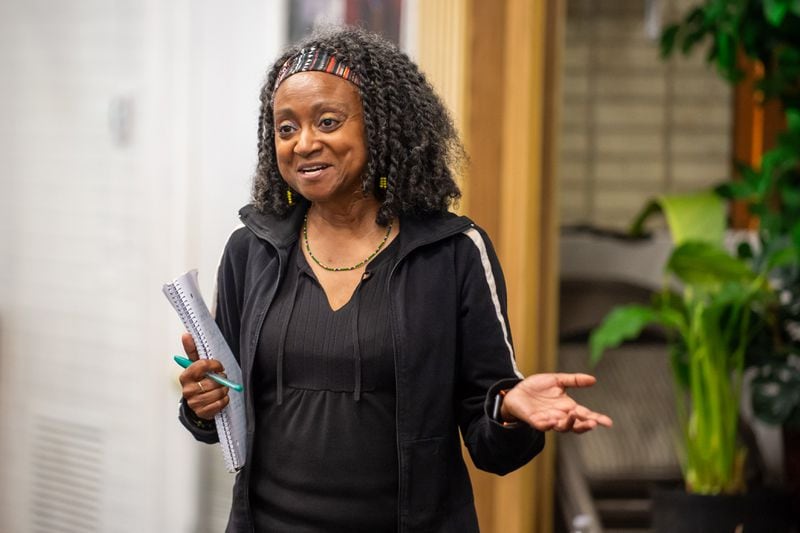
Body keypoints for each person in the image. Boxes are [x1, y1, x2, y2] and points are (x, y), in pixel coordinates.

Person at [176, 26, 612, 533]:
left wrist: (507, 410)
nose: (304, 143)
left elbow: (490, 439)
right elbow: (222, 403)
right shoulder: (251, 250)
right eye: (286, 128)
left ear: (381, 127)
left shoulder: (452, 253)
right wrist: (203, 405)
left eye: (329, 121)